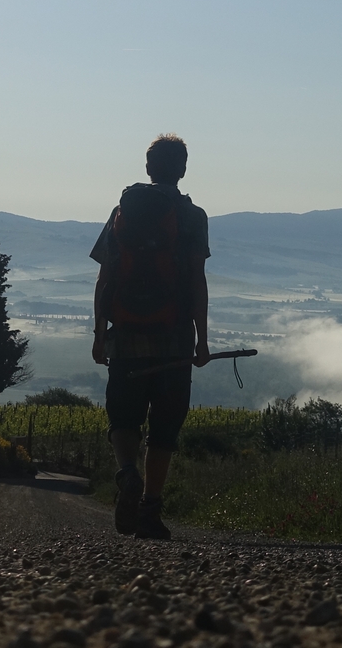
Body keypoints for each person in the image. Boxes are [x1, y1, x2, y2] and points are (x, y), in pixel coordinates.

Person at [90, 134, 210, 540]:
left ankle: (127, 473)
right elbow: (197, 280)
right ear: (183, 169)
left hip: (125, 335)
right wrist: (202, 339)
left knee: (122, 417)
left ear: (148, 167)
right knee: (164, 428)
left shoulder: (121, 211)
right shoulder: (192, 216)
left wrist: (98, 334)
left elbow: (104, 277)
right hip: (173, 338)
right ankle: (150, 511)